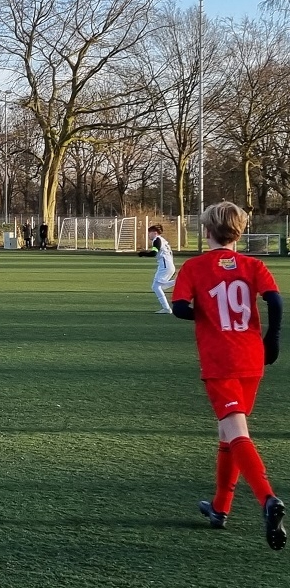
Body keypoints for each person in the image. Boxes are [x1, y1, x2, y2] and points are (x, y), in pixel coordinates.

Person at [171, 201, 285, 549]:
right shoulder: (253, 265)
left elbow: (179, 309)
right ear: (239, 232)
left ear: (206, 231)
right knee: (227, 432)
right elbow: (275, 301)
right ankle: (220, 508)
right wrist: (272, 338)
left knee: (236, 431)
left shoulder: (195, 266)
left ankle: (268, 498)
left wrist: (205, 314)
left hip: (220, 359)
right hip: (252, 356)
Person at [138, 224, 177, 314]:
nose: (148, 235)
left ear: (155, 233)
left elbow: (154, 253)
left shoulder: (157, 240)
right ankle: (178, 282)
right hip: (168, 266)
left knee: (156, 286)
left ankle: (167, 309)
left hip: (165, 266)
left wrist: (143, 253)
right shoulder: (163, 240)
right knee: (158, 286)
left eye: (149, 233)